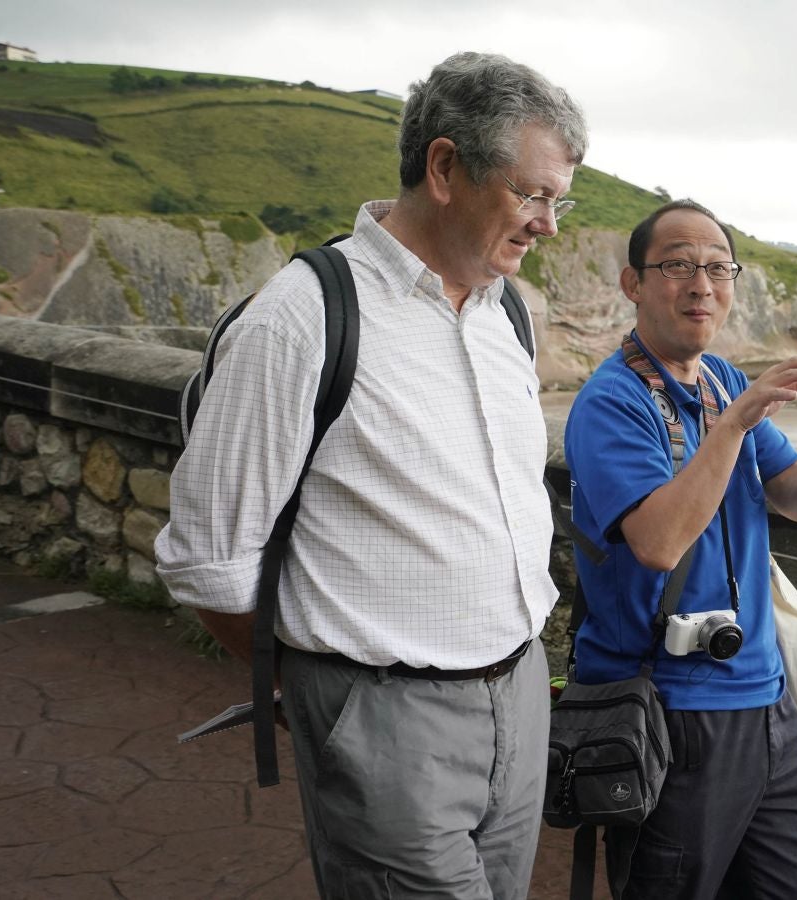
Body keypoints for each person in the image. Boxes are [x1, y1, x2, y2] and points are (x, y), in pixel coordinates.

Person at [155, 52, 587, 900]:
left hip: (523, 690)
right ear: (445, 167)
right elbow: (207, 558)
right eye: (533, 194)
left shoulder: (506, 314)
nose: (550, 224)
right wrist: (325, 697)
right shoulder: (300, 317)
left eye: (558, 199)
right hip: (384, 715)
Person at [563, 199, 797, 900]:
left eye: (719, 268)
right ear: (634, 283)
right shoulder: (613, 402)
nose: (702, 285)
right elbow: (659, 542)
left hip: (764, 697)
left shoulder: (721, 378)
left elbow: (790, 493)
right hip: (674, 705)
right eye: (679, 267)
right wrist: (734, 425)